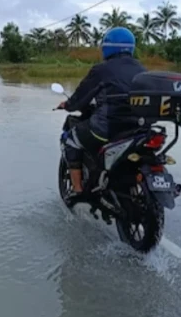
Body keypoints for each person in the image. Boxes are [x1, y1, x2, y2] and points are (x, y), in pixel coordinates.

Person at [57, 27, 147, 208]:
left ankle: (77, 189)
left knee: (71, 140)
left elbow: (80, 98)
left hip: (108, 128)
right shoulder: (141, 68)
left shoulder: (101, 69)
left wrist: (67, 105)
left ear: (107, 47)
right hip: (140, 128)